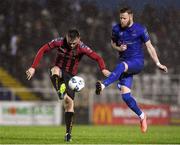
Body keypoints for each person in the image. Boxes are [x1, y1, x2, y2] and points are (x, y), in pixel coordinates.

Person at [26, 29, 110, 141]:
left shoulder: (82, 48)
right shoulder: (59, 42)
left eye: (74, 43)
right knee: (55, 69)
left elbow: (97, 57)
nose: (71, 45)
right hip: (59, 70)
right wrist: (33, 67)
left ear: (79, 39)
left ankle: (68, 134)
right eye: (69, 42)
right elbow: (43, 49)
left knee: (69, 104)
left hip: (70, 78)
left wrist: (103, 69)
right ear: (66, 37)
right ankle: (60, 92)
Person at [95, 7, 168, 133]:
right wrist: (119, 48)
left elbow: (150, 47)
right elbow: (113, 43)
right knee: (126, 96)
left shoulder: (140, 29)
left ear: (131, 17)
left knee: (121, 66)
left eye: (124, 18)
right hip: (125, 63)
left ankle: (103, 85)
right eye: (120, 18)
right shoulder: (116, 29)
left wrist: (158, 63)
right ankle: (142, 116)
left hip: (137, 62)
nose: (122, 20)